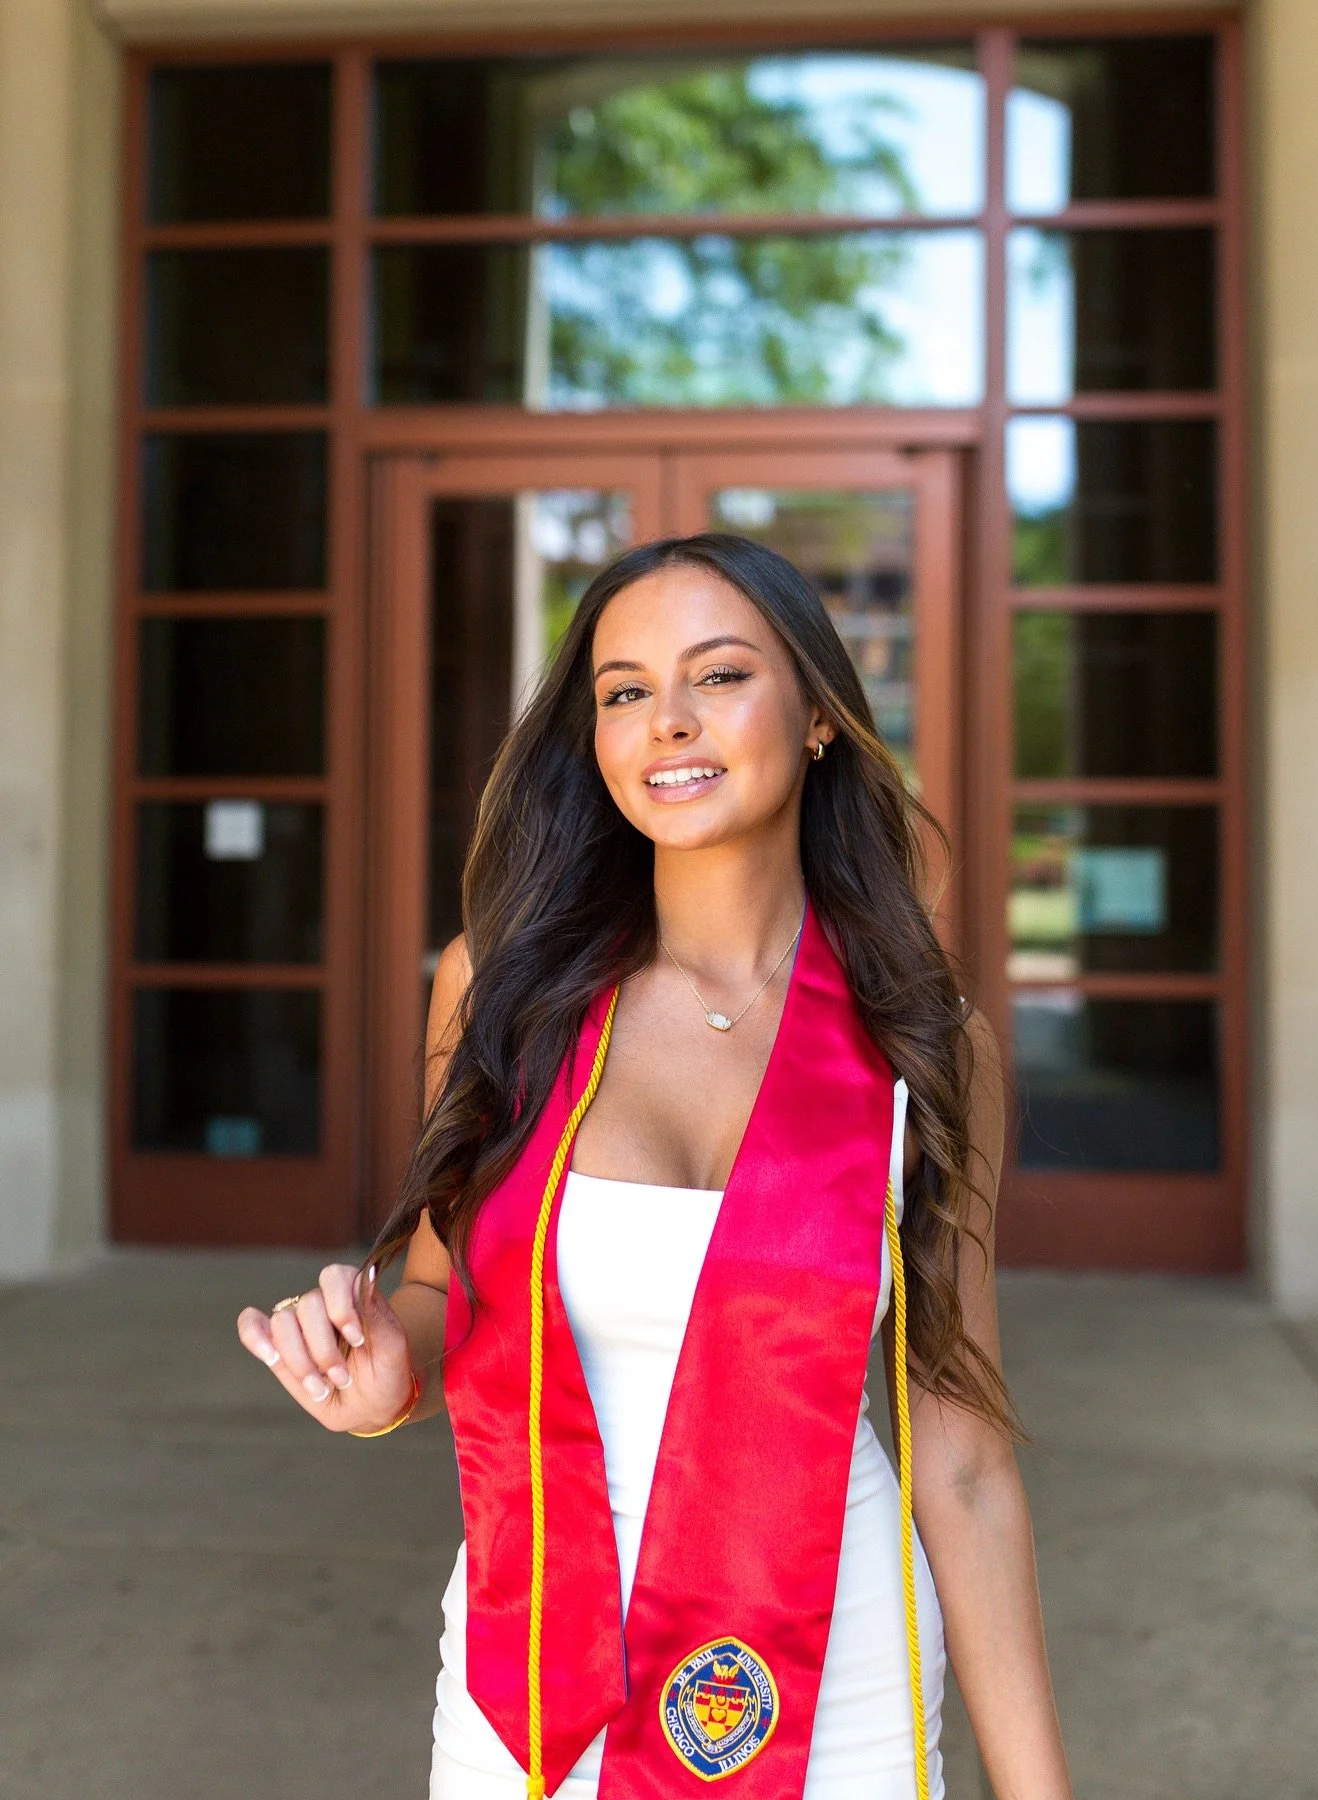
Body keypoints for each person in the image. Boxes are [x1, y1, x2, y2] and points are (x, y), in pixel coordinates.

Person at [237, 534, 1073, 1800]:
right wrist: (381, 1373)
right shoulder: (503, 994)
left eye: (720, 674)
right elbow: (439, 1296)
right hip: (536, 1683)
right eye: (625, 691)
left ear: (819, 718)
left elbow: (960, 1459)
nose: (668, 721)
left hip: (831, 1685)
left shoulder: (921, 1043)